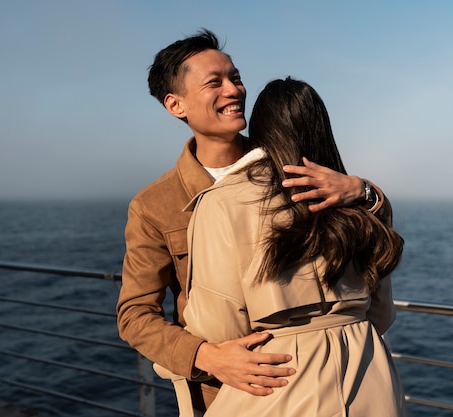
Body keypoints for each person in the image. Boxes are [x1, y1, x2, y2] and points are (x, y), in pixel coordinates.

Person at [116, 29, 388, 412]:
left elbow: (368, 241)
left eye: (236, 77)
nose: (235, 90)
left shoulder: (294, 165)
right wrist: (204, 356)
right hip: (231, 392)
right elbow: (134, 315)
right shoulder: (155, 205)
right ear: (176, 105)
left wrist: (363, 190)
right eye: (215, 82)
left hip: (333, 381)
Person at [182, 77, 406, 416]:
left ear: (259, 132)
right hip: (371, 376)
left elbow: (218, 329)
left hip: (279, 379)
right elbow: (382, 313)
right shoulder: (352, 200)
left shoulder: (221, 202)